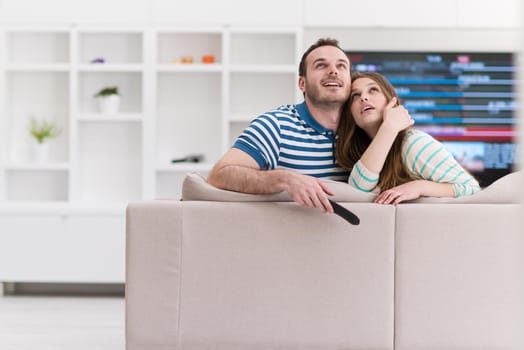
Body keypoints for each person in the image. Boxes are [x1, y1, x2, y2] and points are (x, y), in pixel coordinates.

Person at [207, 38, 351, 213]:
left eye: (341, 66)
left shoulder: (364, 128)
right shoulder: (277, 125)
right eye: (321, 65)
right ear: (302, 83)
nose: (333, 71)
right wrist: (285, 179)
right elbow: (219, 175)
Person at [336, 71, 480, 205]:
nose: (364, 97)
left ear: (390, 102)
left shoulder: (413, 143)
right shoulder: (358, 150)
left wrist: (420, 187)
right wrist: (389, 129)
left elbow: (472, 189)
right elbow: (357, 192)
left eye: (373, 90)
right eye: (355, 95)